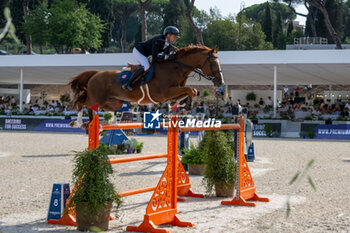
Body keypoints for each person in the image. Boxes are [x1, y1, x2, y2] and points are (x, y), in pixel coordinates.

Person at [122, 26, 180, 91]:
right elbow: (155, 57)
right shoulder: (158, 40)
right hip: (139, 51)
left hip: (146, 54)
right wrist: (167, 56)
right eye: (174, 37)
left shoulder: (168, 45)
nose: (175, 39)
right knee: (146, 66)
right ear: (168, 35)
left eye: (176, 38)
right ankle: (128, 84)